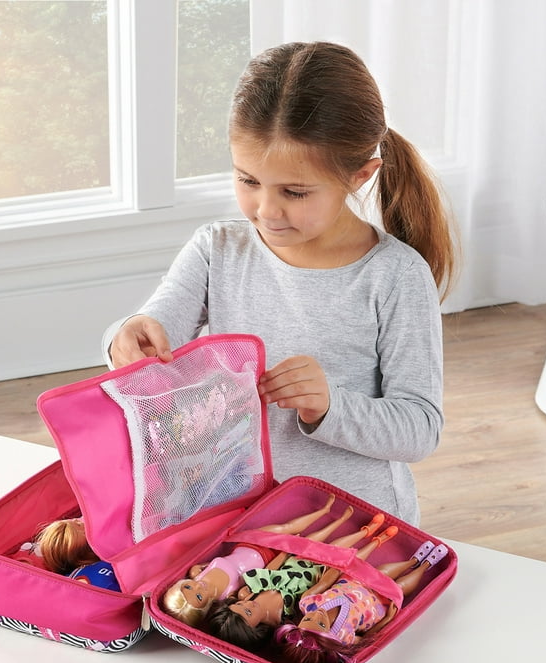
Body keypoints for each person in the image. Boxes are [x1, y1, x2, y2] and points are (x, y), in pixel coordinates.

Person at [103, 41, 458, 526]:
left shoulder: (395, 276)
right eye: (248, 181)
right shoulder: (216, 250)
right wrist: (126, 336)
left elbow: (419, 430)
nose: (267, 210)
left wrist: (329, 406)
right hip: (233, 515)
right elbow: (152, 332)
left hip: (349, 526)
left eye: (294, 191)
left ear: (360, 175)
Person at [162, 493, 385, 627]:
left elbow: (269, 572)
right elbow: (309, 590)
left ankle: (329, 513)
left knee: (288, 530)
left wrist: (284, 552)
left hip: (253, 547)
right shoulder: (229, 595)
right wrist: (324, 576)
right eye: (198, 596)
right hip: (307, 568)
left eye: (188, 587)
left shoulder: (199, 572)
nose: (197, 587)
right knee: (335, 552)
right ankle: (370, 537)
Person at [205, 522, 400, 649]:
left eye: (239, 605)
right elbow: (316, 595)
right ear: (254, 631)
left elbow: (270, 571)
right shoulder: (285, 620)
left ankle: (365, 531)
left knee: (326, 541)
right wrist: (331, 575)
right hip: (317, 573)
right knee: (343, 555)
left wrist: (286, 551)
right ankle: (376, 541)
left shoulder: (247, 594)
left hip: (295, 562)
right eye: (248, 612)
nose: (247, 604)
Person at [273, 541, 449, 663]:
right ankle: (425, 566)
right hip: (375, 605)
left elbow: (324, 583)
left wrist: (339, 566)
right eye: (321, 624)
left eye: (308, 618)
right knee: (399, 588)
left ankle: (412, 562)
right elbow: (367, 637)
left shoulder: (308, 603)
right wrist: (388, 619)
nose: (317, 614)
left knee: (382, 572)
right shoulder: (342, 636)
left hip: (357, 581)